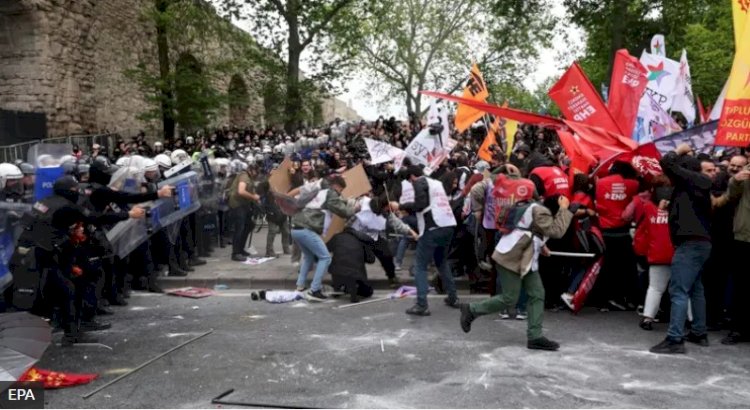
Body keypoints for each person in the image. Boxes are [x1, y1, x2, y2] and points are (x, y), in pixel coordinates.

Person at [459, 193, 573, 351]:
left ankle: (535, 336)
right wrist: (565, 210)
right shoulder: (540, 211)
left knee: (537, 293)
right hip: (512, 258)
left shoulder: (531, 207)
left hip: (521, 257)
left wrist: (541, 245)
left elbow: (529, 230)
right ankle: (472, 309)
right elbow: (556, 231)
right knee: (510, 298)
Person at [650, 143, 712, 354]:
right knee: (696, 289)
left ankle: (675, 338)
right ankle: (699, 332)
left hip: (690, 244)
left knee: (678, 290)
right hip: (701, 243)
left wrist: (679, 150)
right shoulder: (695, 185)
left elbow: (667, 163)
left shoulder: (691, 180)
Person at [394, 165, 460, 316]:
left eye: (409, 181)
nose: (411, 184)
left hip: (432, 227)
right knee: (442, 262)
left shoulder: (419, 182)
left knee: (420, 266)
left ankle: (422, 304)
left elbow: (420, 205)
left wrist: (402, 206)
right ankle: (453, 298)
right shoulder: (435, 183)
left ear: (412, 177)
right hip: (448, 225)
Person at [291, 175, 358, 301]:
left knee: (309, 257)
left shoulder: (318, 190)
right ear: (336, 186)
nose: (339, 193)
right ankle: (314, 290)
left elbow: (333, 203)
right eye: (340, 190)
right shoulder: (331, 192)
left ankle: (300, 287)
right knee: (325, 257)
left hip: (296, 227)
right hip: (307, 229)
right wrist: (354, 209)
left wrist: (344, 201)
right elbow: (342, 212)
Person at [723, 162, 750, 344]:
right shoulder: (746, 173)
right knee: (741, 286)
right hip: (744, 236)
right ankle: (739, 329)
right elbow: (731, 198)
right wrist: (735, 181)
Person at [228, 164, 261, 261]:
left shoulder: (249, 178)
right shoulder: (244, 176)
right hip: (237, 204)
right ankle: (236, 253)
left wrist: (255, 197)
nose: (257, 174)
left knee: (249, 225)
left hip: (243, 205)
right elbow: (241, 191)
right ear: (251, 170)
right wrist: (253, 197)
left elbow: (250, 190)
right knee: (240, 228)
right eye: (256, 171)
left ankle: (240, 249)